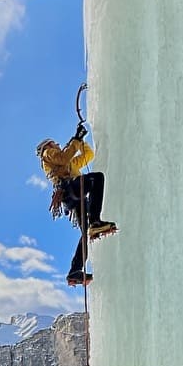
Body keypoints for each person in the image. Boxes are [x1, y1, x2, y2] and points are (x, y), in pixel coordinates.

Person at [37, 122, 116, 286]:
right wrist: (76, 139)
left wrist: (80, 141)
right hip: (70, 188)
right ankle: (95, 221)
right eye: (55, 143)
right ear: (49, 145)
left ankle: (75, 271)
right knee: (97, 178)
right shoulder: (47, 153)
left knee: (85, 233)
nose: (58, 145)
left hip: (72, 196)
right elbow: (63, 157)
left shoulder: (68, 165)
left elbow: (88, 155)